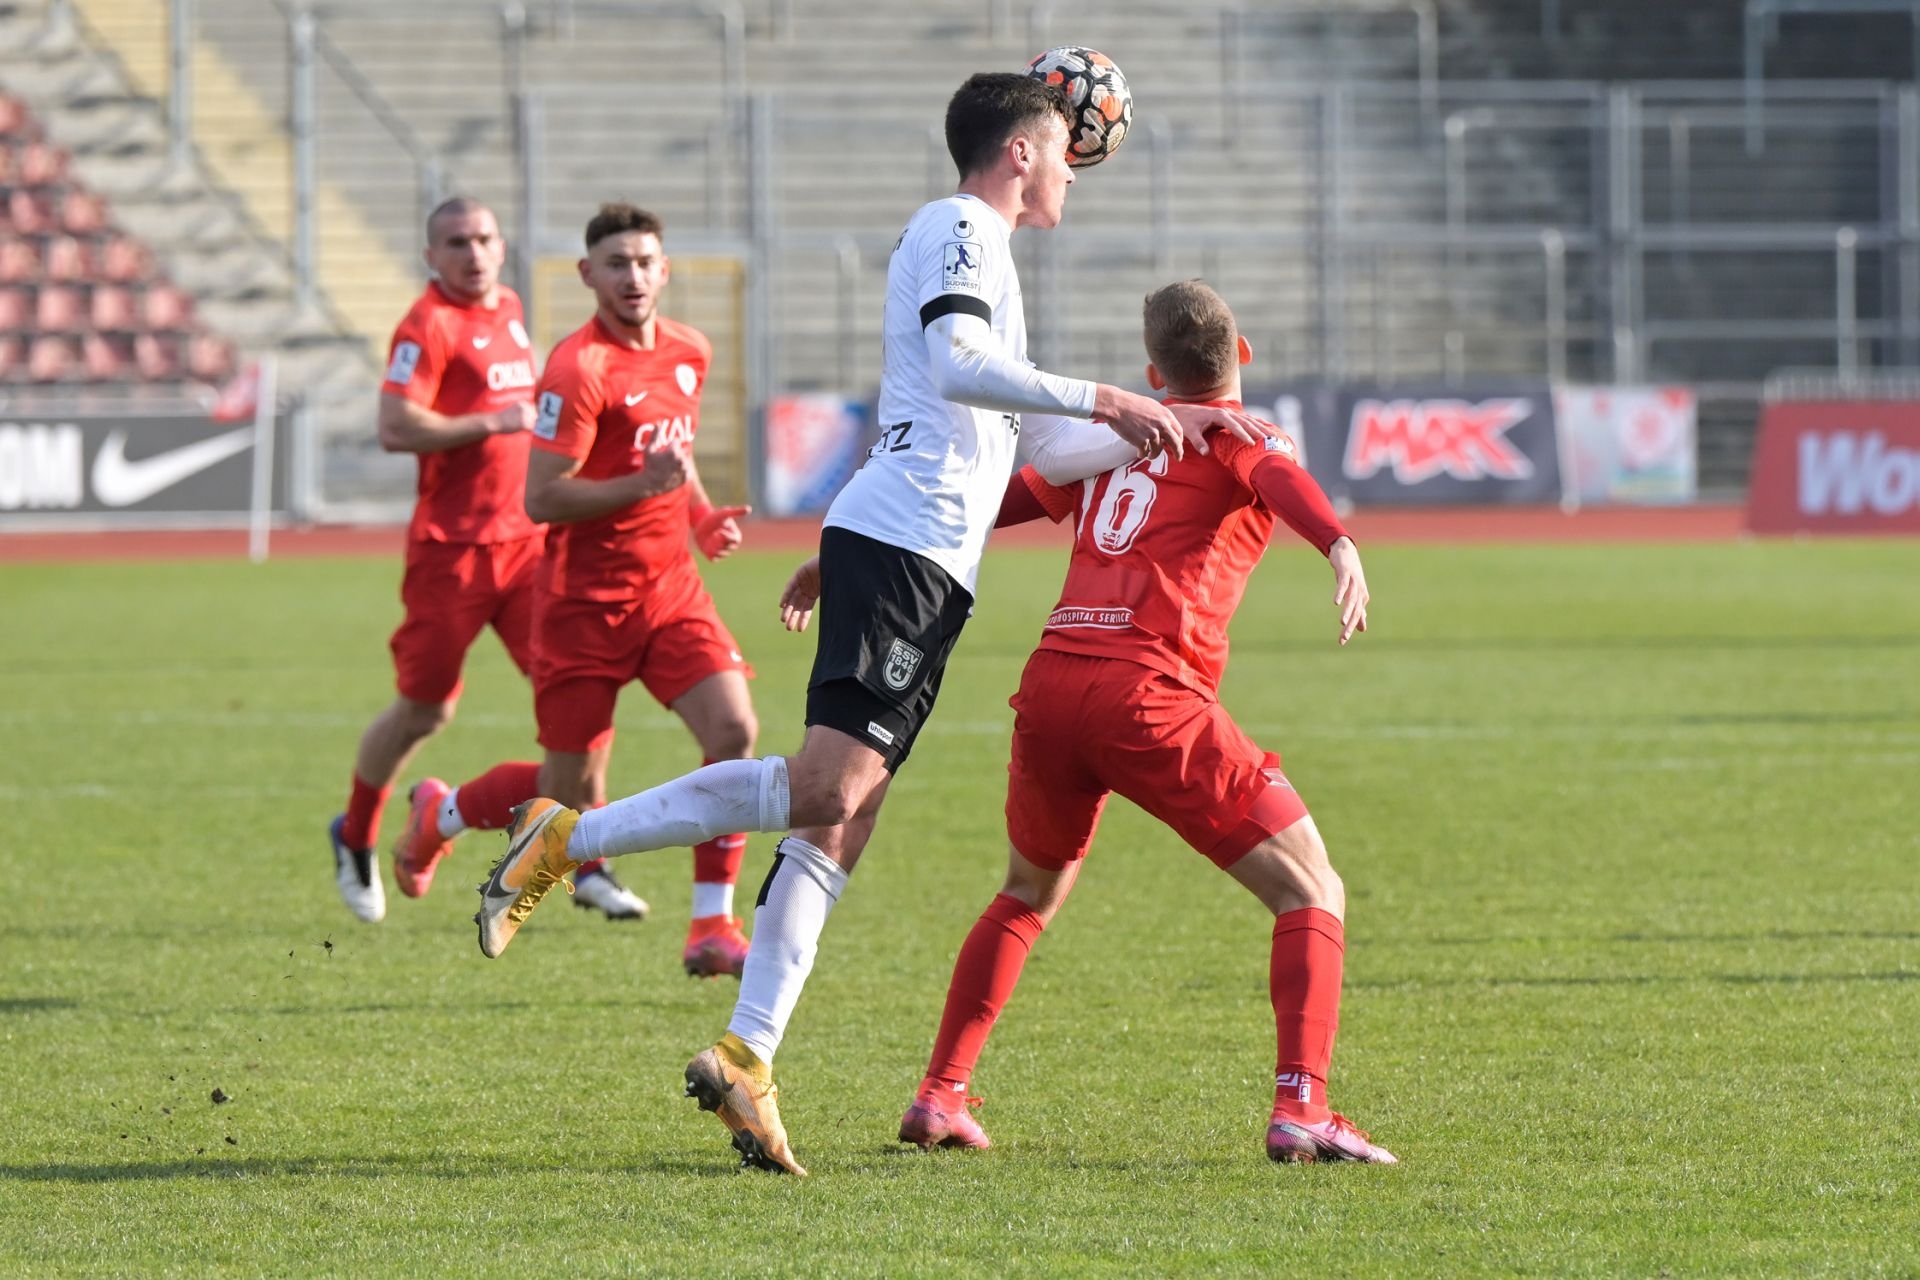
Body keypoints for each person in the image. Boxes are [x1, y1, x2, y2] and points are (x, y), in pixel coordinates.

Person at [471, 74, 1262, 1174]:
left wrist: (1181, 423)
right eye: (1062, 151)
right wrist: (1107, 396)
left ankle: (746, 1055)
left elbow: (1027, 448)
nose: (1074, 172)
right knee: (826, 790)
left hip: (916, 553)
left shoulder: (984, 252)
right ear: (1023, 151)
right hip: (905, 548)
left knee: (844, 821)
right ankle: (565, 839)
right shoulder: (960, 228)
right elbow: (955, 367)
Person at [891, 280, 1395, 1165]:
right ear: (1242, 354)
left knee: (1027, 892)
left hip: (1052, 686)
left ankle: (940, 1094)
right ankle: (1303, 1107)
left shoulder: (1110, 440)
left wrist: (855, 549)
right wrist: (1339, 543)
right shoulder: (1239, 432)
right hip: (1149, 694)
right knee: (1312, 889)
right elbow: (1276, 473)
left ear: (1153, 374)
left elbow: (987, 508)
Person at [396, 202, 760, 975]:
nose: (633, 276)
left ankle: (711, 925)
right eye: (617, 263)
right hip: (581, 607)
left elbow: (674, 455)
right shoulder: (577, 368)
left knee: (733, 732)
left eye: (645, 262)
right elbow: (543, 498)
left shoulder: (690, 350)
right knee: (569, 799)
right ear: (588, 274)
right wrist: (640, 486)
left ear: (665, 270)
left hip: (670, 591)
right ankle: (441, 813)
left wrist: (698, 517)